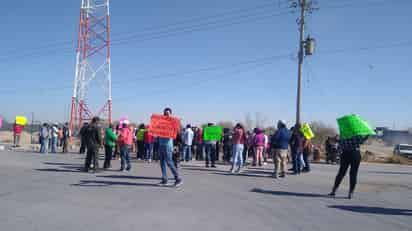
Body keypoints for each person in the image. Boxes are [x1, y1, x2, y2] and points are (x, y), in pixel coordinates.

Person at [157, 108, 183, 187]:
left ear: (171, 114)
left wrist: (177, 145)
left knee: (169, 162)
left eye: (168, 113)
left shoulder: (173, 123)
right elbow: (157, 131)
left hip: (168, 145)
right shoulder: (161, 122)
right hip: (161, 144)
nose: (166, 115)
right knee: (162, 163)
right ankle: (164, 179)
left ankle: (178, 178)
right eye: (165, 113)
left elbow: (177, 133)